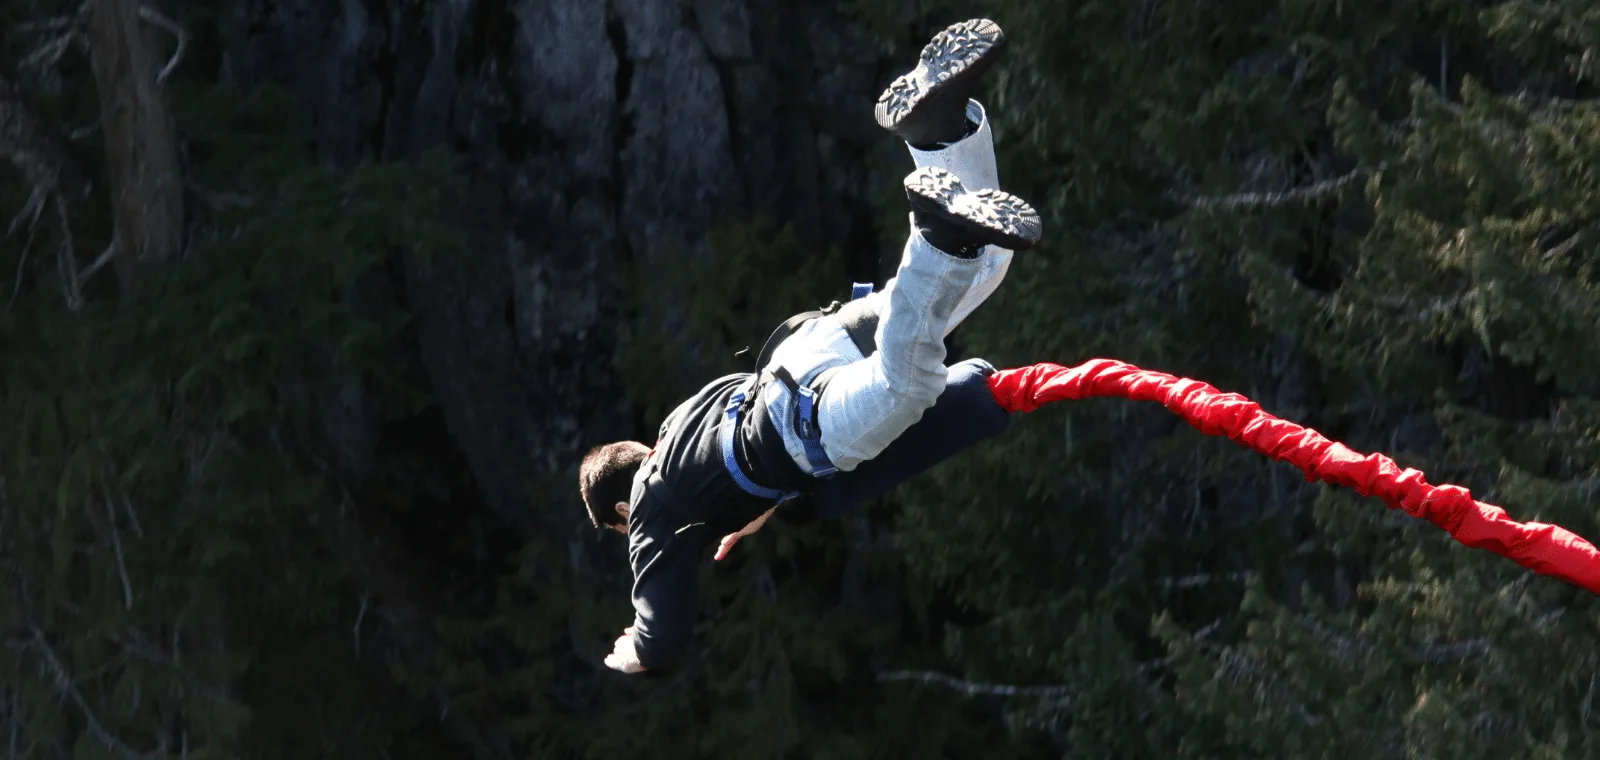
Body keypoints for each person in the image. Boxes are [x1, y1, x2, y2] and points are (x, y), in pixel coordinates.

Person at [577, 18, 1042, 674]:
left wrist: (631, 653)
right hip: (813, 343)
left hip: (808, 423)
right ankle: (938, 132)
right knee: (990, 266)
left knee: (904, 384)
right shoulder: (678, 430)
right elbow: (729, 468)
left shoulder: (653, 503)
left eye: (629, 528)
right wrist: (753, 509)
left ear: (624, 510)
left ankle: (934, 235)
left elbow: (663, 636)